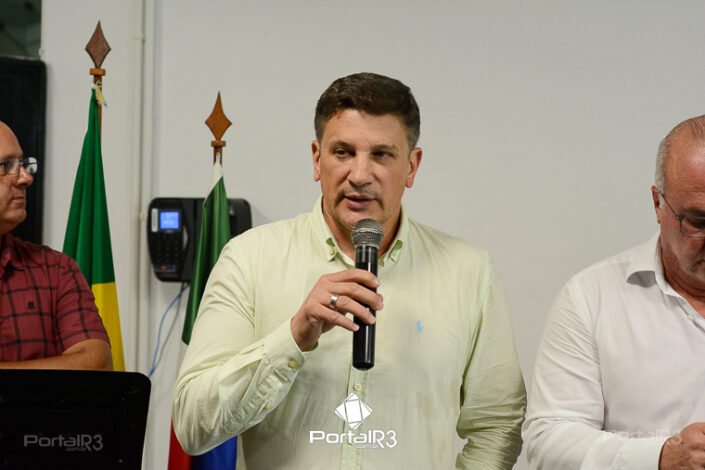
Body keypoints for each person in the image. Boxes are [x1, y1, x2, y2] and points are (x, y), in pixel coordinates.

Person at [173, 72, 526, 469]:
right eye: (343, 152)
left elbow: (498, 425)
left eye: (381, 155)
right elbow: (193, 425)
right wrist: (293, 337)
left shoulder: (470, 272)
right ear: (316, 158)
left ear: (412, 166)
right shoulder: (249, 259)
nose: (359, 175)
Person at [524, 115, 705, 469]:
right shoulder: (591, 298)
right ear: (657, 204)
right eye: (698, 221)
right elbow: (548, 441)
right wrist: (661, 457)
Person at [0, 121, 111, 370]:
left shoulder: (55, 270)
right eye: (6, 166)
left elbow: (96, 364)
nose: (26, 178)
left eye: (23, 163)